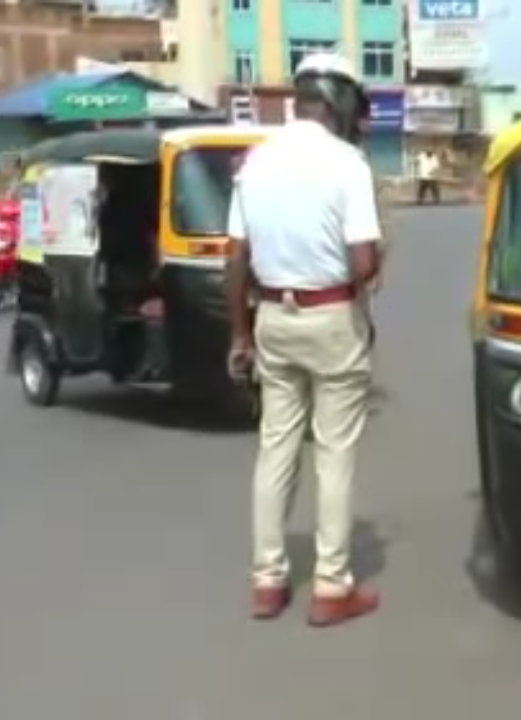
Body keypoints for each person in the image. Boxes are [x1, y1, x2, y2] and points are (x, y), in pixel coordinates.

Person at [224, 52, 384, 627]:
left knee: (276, 447)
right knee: (334, 453)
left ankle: (268, 581)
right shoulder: (347, 164)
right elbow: (363, 261)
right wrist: (368, 266)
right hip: (330, 316)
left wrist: (240, 335)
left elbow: (235, 259)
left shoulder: (256, 161)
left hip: (272, 317)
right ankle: (331, 586)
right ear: (339, 101)